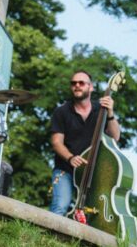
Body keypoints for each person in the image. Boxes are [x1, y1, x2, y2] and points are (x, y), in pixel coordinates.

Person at [49, 70, 120, 216]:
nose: (77, 86)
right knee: (61, 206)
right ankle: (46, 239)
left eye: (81, 83)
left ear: (91, 87)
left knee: (92, 214)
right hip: (65, 168)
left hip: (92, 172)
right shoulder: (61, 111)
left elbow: (115, 137)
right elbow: (56, 142)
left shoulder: (101, 110)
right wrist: (71, 158)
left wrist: (111, 113)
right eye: (73, 83)